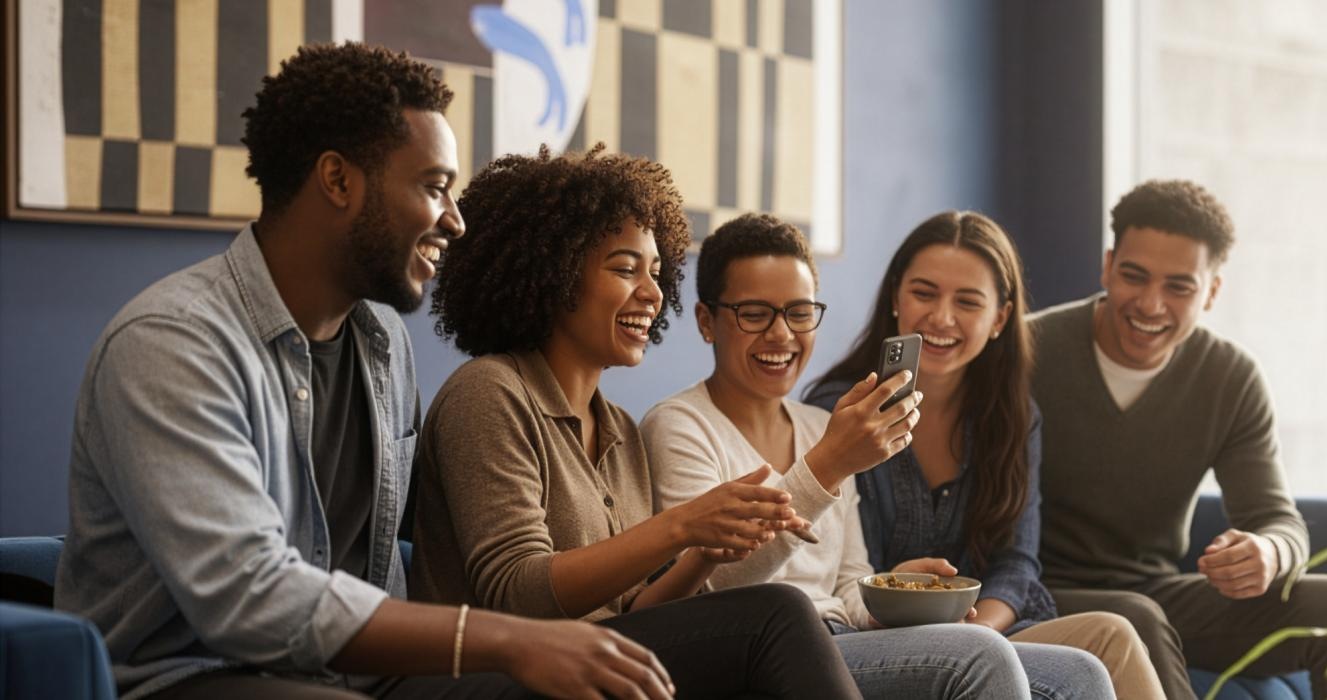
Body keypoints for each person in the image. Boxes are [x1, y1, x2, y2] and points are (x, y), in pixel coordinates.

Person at [57, 43, 678, 699]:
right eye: (435, 187)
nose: (456, 221)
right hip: (193, 678)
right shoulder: (172, 344)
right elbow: (248, 596)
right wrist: (507, 637)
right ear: (338, 180)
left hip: (363, 682)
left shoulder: (382, 342)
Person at [407, 144, 861, 699]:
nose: (652, 293)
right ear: (554, 273)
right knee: (778, 614)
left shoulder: (620, 429)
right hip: (495, 674)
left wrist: (705, 555)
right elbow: (515, 595)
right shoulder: (489, 393)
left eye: (655, 271)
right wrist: (682, 524)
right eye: (625, 269)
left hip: (597, 663)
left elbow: (635, 612)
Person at [642, 214, 1072, 699]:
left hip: (842, 636)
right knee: (980, 656)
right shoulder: (681, 426)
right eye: (755, 313)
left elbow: (847, 587)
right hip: (768, 650)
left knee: (1079, 674)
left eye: (799, 313)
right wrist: (827, 465)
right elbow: (711, 587)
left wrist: (890, 593)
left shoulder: (819, 425)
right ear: (707, 322)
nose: (781, 335)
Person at [1028, 180, 1327, 698]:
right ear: (1108, 266)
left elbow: (1278, 520)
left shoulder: (1229, 376)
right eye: (1134, 276)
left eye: (1179, 287)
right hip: (1039, 592)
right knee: (1134, 616)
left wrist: (1269, 552)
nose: (1151, 304)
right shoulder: (1029, 352)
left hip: (1157, 592)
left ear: (1212, 291)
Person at [804, 211, 1166, 699]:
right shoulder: (836, 412)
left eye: (968, 301)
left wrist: (982, 631)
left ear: (998, 318)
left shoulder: (1013, 418)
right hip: (873, 638)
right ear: (895, 297)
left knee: (1114, 632)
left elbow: (1016, 563)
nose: (941, 317)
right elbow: (835, 575)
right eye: (924, 293)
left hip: (982, 634)